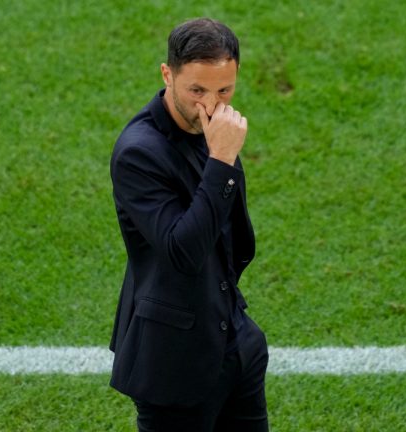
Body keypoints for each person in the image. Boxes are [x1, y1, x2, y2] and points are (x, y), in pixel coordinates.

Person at [108, 17, 269, 431]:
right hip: (173, 363)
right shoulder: (138, 155)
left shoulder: (210, 128)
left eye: (224, 90)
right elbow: (183, 251)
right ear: (168, 74)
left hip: (234, 343)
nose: (210, 105)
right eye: (196, 90)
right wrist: (221, 162)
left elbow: (231, 234)